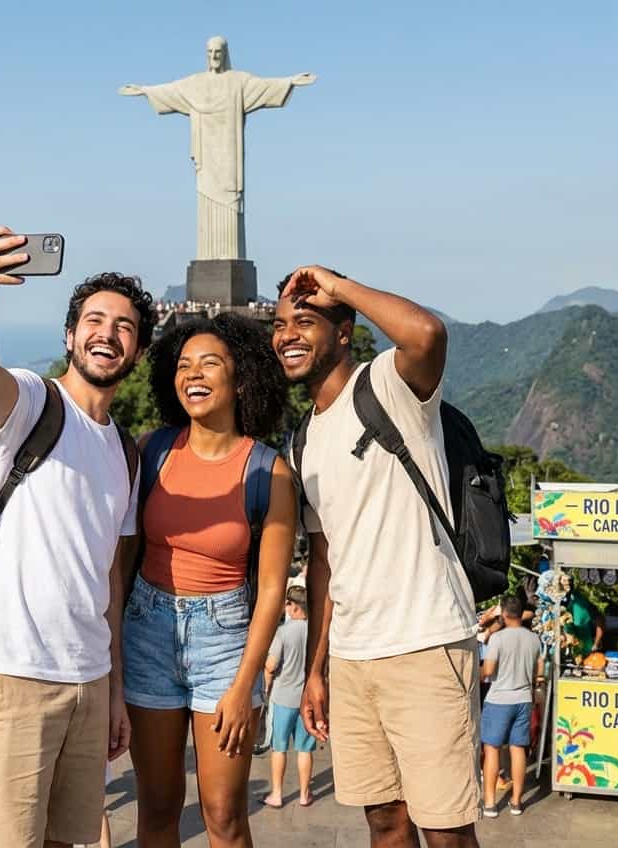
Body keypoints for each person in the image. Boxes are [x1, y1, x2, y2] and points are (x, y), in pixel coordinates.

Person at [0, 227, 153, 848]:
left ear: (139, 352)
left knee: (67, 842)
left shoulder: (125, 451)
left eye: (124, 326)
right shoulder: (35, 404)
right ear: (69, 337)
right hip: (10, 671)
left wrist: (114, 689)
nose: (107, 333)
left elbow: (111, 578)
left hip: (87, 681)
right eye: (94, 320)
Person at [273, 265, 481, 848]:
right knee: (384, 822)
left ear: (343, 333)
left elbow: (426, 333)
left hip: (426, 641)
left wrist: (338, 286)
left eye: (306, 321)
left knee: (444, 828)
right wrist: (315, 669)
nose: (287, 334)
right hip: (353, 655)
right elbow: (323, 562)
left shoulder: (388, 385)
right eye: (281, 323)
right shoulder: (301, 439)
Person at [123, 313, 295, 846]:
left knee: (223, 816)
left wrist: (246, 685)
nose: (193, 374)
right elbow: (122, 559)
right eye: (183, 364)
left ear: (240, 379)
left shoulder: (268, 472)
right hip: (147, 631)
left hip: (224, 642)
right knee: (156, 808)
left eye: (210, 363)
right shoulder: (152, 451)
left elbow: (271, 590)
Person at [480, 595, 543, 817]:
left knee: (492, 748)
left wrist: (475, 674)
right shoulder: (534, 639)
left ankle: (489, 803)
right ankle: (516, 801)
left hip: (499, 700)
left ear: (504, 614)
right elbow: (539, 671)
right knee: (518, 749)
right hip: (524, 699)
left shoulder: (498, 639)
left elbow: (488, 671)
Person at [263, 584, 316, 809]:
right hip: (307, 700)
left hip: (283, 697)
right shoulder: (314, 630)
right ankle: (305, 794)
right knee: (304, 748)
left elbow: (271, 665)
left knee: (280, 747)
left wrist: (266, 690)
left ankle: (277, 794)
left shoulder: (283, 632)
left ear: (293, 606)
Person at [564, 586, 604, 658]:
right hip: (575, 644)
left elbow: (600, 624)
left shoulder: (590, 608)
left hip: (588, 644)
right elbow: (568, 630)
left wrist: (596, 643)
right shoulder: (569, 612)